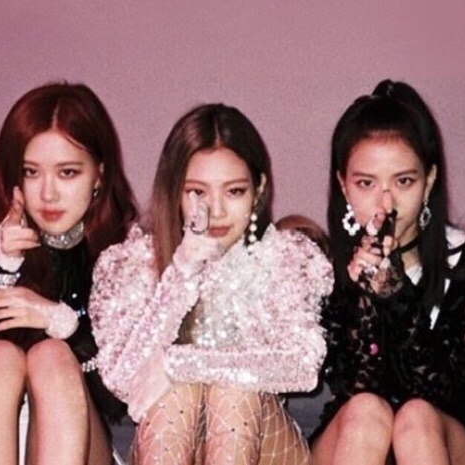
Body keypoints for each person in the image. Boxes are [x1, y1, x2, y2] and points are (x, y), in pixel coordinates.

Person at [88, 103, 333, 464]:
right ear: (175, 191)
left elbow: (302, 366)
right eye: (198, 193)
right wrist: (180, 274)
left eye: (234, 191)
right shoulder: (136, 261)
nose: (216, 209)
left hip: (265, 446)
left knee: (234, 393)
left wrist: (179, 363)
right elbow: (121, 377)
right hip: (171, 437)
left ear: (258, 190)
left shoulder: (283, 257)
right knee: (177, 396)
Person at [311, 79, 465, 465]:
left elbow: (441, 392)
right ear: (343, 186)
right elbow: (355, 387)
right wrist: (365, 294)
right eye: (366, 183)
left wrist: (395, 293)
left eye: (403, 181)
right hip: (356, 437)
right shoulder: (321, 270)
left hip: (450, 438)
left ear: (428, 181)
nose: (386, 202)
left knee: (416, 420)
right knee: (365, 411)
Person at [0, 82, 138, 464]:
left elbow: (120, 400)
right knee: (0, 357)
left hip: (74, 437)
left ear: (99, 175)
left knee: (52, 357)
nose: (48, 194)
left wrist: (61, 322)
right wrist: (1, 265)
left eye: (67, 173)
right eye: (32, 172)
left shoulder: (123, 253)